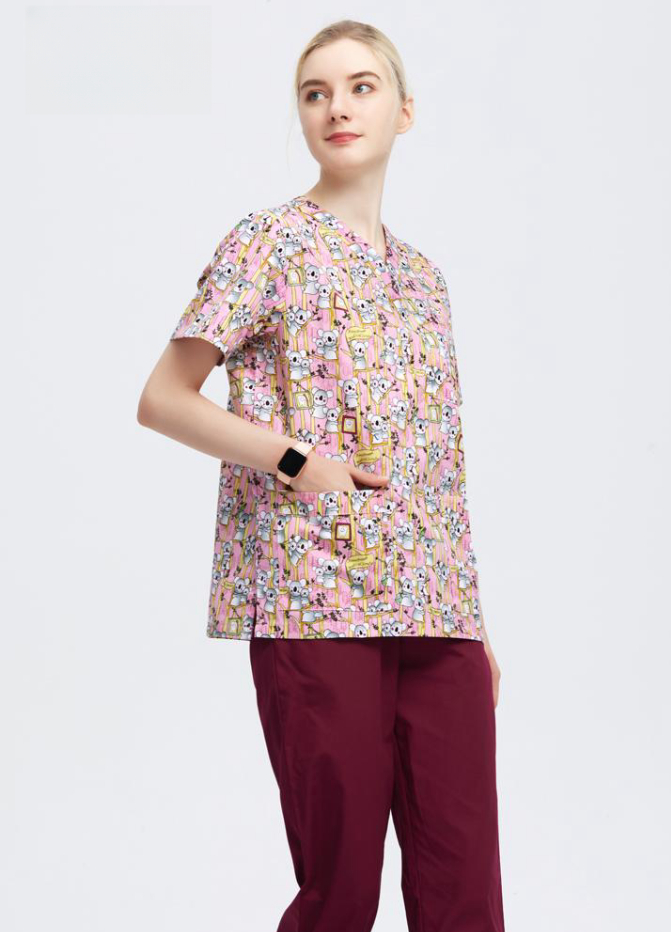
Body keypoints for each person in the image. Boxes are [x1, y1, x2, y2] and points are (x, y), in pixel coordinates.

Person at [137, 18, 506, 932]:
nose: (337, 106)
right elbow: (163, 397)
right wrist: (296, 459)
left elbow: (439, 466)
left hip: (436, 614)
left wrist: (474, 623)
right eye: (316, 93)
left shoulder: (425, 282)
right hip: (316, 597)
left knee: (465, 895)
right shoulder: (268, 242)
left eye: (360, 87)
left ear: (403, 111)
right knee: (340, 894)